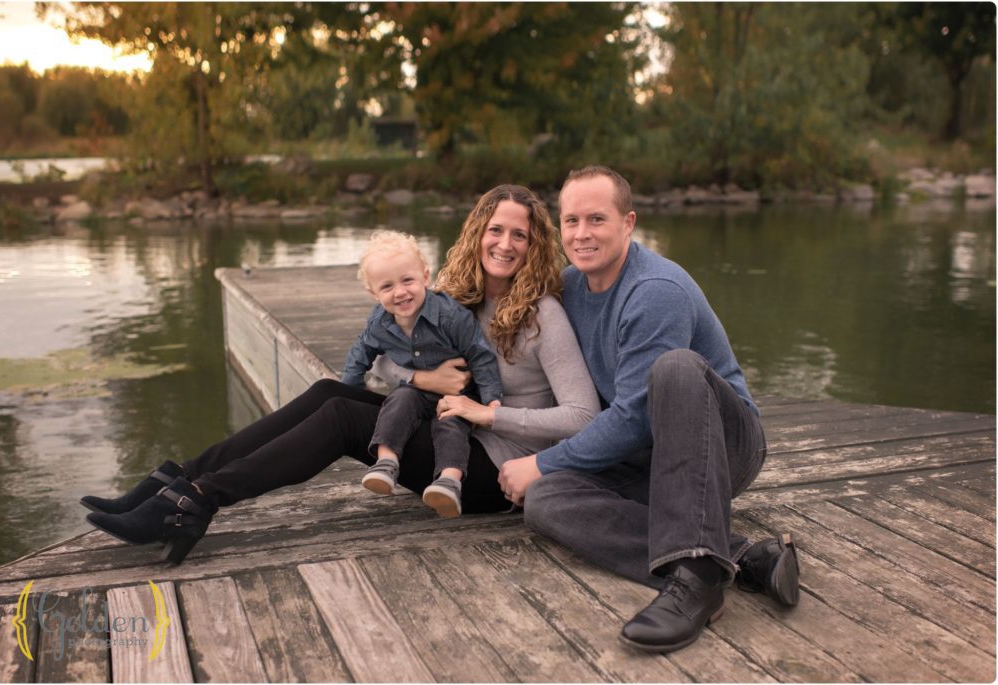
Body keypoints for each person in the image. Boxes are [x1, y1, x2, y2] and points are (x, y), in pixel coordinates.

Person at [80, 184, 600, 564]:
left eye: (520, 235)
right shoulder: (453, 295)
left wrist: (486, 412)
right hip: (443, 423)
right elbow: (384, 364)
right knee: (333, 390)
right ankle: (178, 479)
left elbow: (582, 417)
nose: (505, 244)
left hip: (486, 472)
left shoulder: (542, 314)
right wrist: (423, 381)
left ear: (535, 246)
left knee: (342, 420)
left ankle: (199, 501)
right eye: (495, 229)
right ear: (477, 232)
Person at [500, 166, 800, 654]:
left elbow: (633, 416)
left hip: (721, 444)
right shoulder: (568, 287)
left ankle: (697, 584)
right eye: (571, 221)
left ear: (629, 222)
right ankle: (740, 556)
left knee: (676, 368)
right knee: (546, 501)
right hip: (648, 454)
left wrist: (541, 460)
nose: (581, 234)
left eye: (597, 219)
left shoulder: (655, 290)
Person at [340, 230, 503, 518]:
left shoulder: (450, 316)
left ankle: (449, 481)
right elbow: (359, 355)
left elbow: (481, 356)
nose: (400, 292)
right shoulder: (379, 323)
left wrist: (491, 400)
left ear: (425, 277)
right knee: (399, 400)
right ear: (373, 293)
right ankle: (387, 463)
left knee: (451, 424)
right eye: (387, 286)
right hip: (416, 392)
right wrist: (350, 389)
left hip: (458, 393)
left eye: (408, 280)